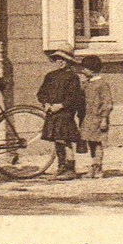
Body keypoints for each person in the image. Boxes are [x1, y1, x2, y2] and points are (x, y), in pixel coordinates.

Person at [37, 48, 85, 179]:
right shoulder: (50, 76)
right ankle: (61, 166)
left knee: (66, 140)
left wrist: (61, 105)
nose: (60, 62)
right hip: (52, 113)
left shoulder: (73, 78)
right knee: (57, 140)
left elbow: (74, 97)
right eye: (57, 59)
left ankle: (70, 168)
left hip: (65, 113)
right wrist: (46, 103)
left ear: (68, 62)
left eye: (63, 59)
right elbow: (42, 92)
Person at [77, 54, 113, 179]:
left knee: (97, 143)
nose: (82, 71)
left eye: (84, 69)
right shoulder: (87, 83)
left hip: (98, 118)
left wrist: (104, 118)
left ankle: (98, 168)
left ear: (91, 70)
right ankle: (94, 165)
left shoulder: (102, 84)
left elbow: (108, 103)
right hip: (88, 118)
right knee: (91, 142)